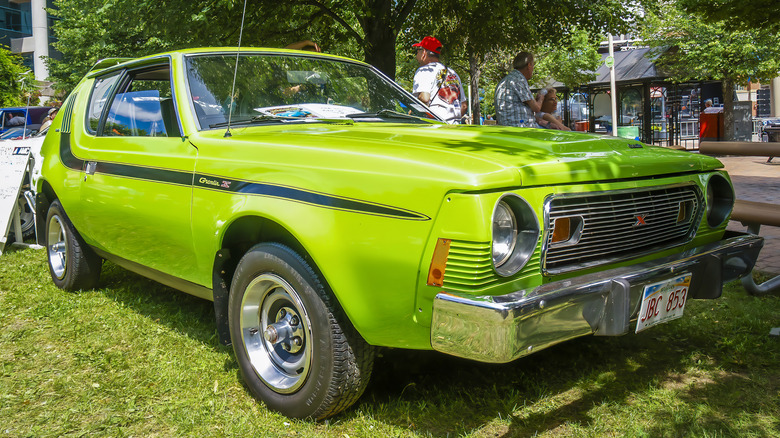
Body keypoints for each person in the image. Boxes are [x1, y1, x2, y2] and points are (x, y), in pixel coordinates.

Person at [495, 52, 569, 130]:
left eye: (555, 99)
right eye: (551, 99)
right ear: (529, 65)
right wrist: (541, 96)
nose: (555, 102)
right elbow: (536, 108)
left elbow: (527, 115)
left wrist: (548, 124)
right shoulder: (519, 80)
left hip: (509, 128)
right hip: (520, 130)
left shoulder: (507, 80)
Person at [411, 36, 467, 124]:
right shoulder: (452, 73)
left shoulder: (424, 70)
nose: (416, 54)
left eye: (418, 50)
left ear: (424, 53)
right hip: (454, 127)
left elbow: (425, 98)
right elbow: (464, 106)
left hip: (434, 126)